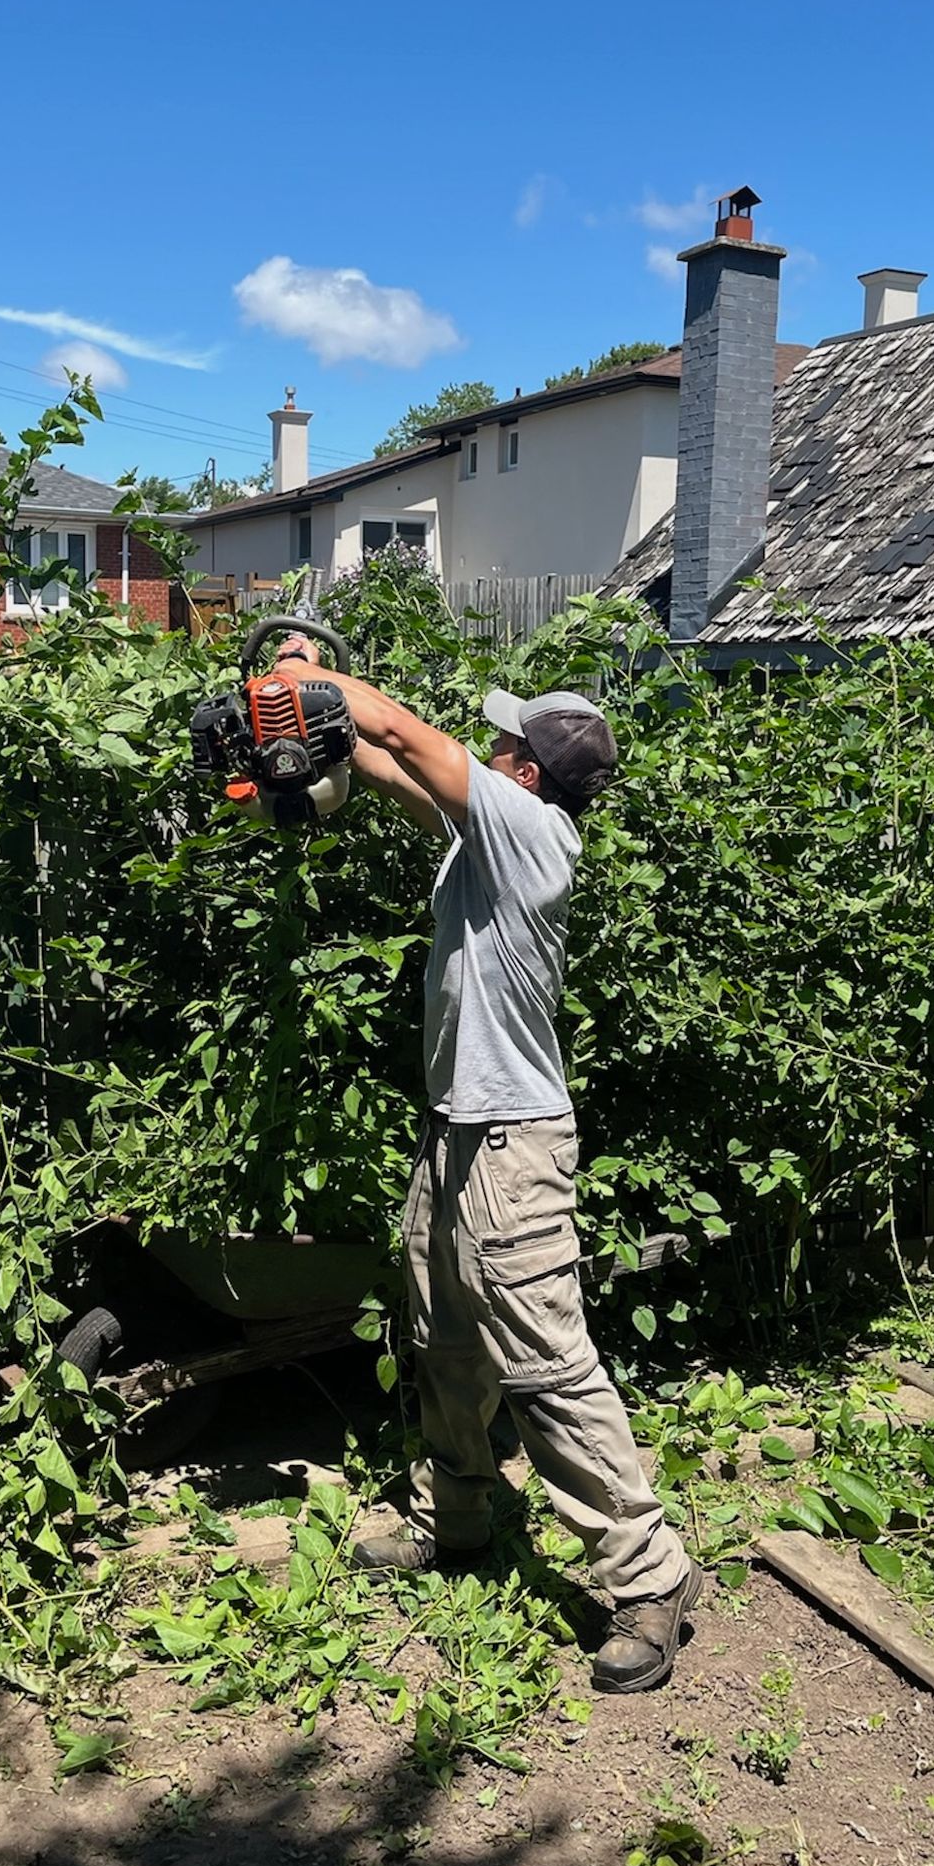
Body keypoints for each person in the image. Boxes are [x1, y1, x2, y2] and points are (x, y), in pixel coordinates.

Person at [268, 637, 701, 1694]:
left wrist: (303, 680)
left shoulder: (533, 835)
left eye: (507, 737)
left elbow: (405, 731)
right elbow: (389, 764)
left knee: (547, 1363)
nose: (494, 742)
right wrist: (316, 723)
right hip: (457, 1132)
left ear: (526, 771)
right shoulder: (485, 835)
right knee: (449, 1342)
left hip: (513, 1146)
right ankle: (457, 1520)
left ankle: (649, 1576)